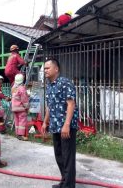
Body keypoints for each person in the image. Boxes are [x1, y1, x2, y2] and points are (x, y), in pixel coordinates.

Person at [41, 59, 79, 188]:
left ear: (56, 69)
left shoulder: (65, 83)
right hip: (55, 126)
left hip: (66, 126)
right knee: (59, 155)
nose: (45, 70)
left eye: (48, 68)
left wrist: (67, 124)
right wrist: (45, 122)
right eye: (44, 68)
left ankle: (69, 185)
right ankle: (64, 182)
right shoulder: (49, 85)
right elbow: (49, 106)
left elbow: (71, 104)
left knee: (68, 156)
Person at [11, 74, 29, 141]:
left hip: (14, 108)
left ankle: (17, 134)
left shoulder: (13, 88)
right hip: (20, 108)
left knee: (17, 121)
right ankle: (21, 135)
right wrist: (27, 107)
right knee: (22, 121)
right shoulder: (22, 88)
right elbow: (24, 99)